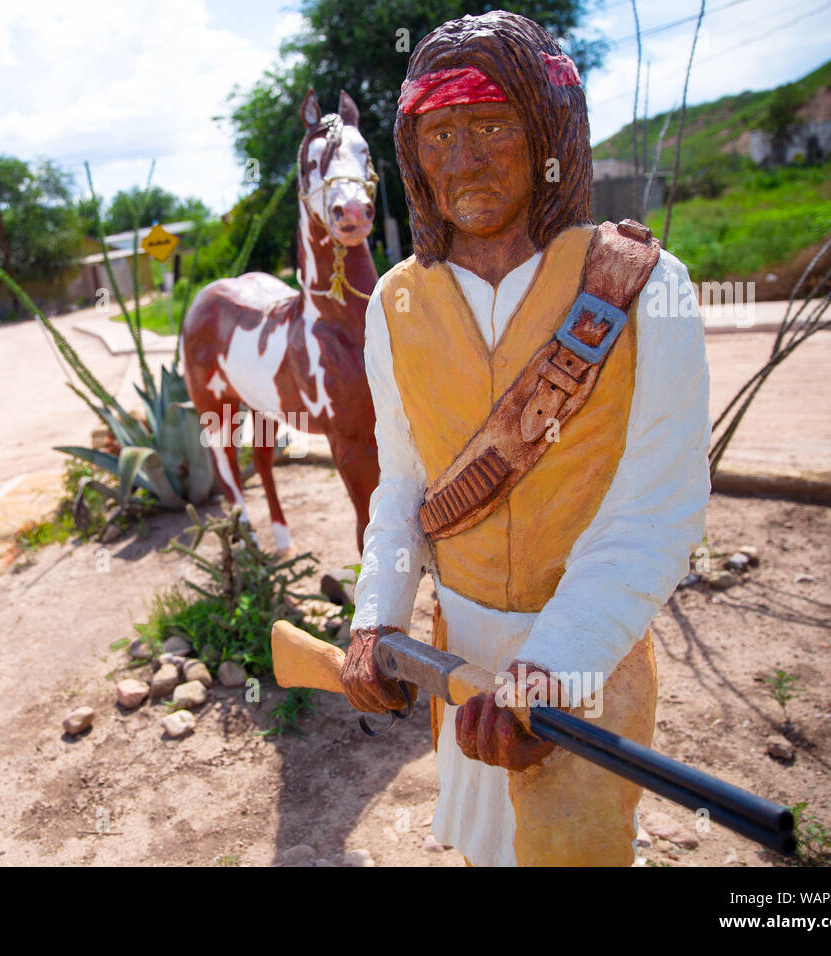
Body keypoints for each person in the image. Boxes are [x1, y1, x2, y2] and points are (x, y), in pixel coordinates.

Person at [341, 10, 711, 866]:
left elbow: (657, 508)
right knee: (483, 845)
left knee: (578, 850)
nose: (463, 159)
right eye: (439, 134)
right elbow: (403, 485)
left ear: (550, 132)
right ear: (412, 155)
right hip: (458, 659)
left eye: (493, 125)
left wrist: (557, 668)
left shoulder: (644, 288)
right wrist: (377, 620)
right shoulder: (393, 305)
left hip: (589, 654)